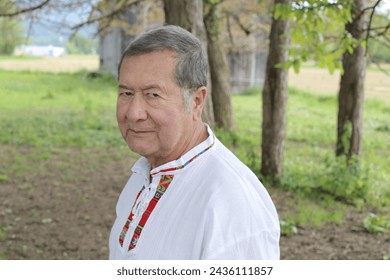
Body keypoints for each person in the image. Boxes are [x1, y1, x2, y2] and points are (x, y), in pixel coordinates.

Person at [109, 25, 280, 260]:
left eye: (153, 95)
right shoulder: (145, 173)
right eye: (127, 93)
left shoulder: (232, 204)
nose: (134, 113)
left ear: (197, 102)